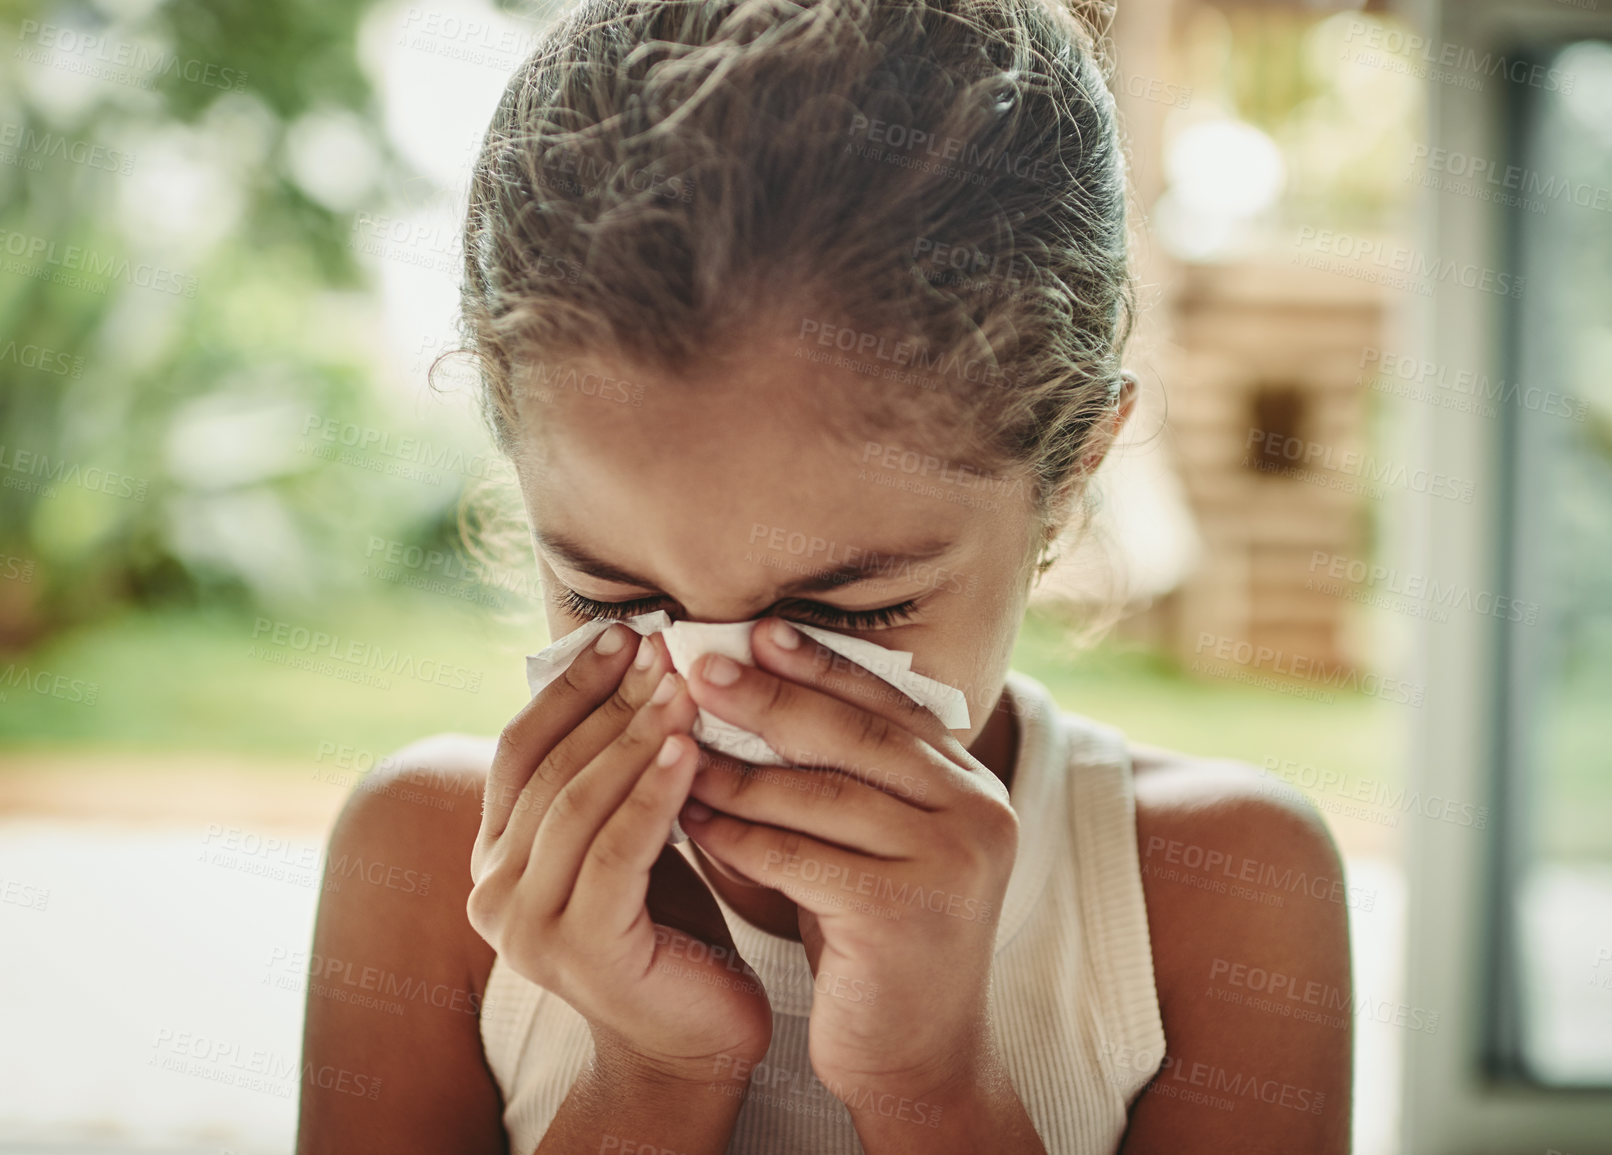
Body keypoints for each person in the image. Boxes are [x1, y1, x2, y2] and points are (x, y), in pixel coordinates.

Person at [296, 0, 1352, 1150]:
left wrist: (926, 1081)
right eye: (611, 599)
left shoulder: (1218, 892)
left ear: (1071, 478)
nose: (711, 689)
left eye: (845, 611)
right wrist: (653, 1073)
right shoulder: (430, 870)